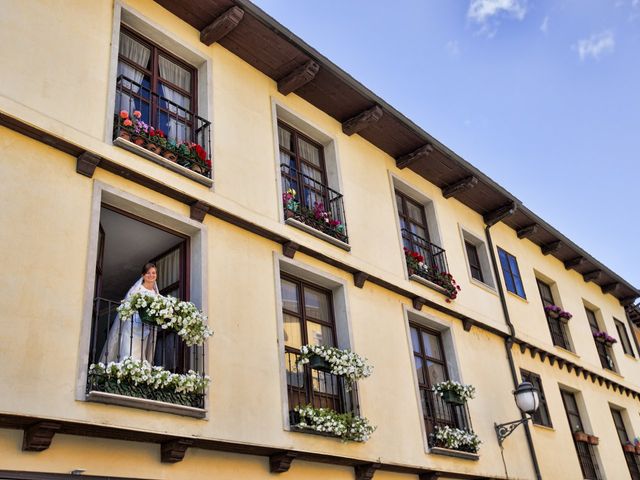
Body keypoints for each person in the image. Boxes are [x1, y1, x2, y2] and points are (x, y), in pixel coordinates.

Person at [101, 263, 159, 364]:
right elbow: (127, 305)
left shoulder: (155, 294)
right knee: (128, 351)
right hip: (132, 325)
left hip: (145, 327)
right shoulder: (137, 289)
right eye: (148, 273)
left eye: (153, 273)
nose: (151, 275)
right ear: (143, 275)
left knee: (140, 354)